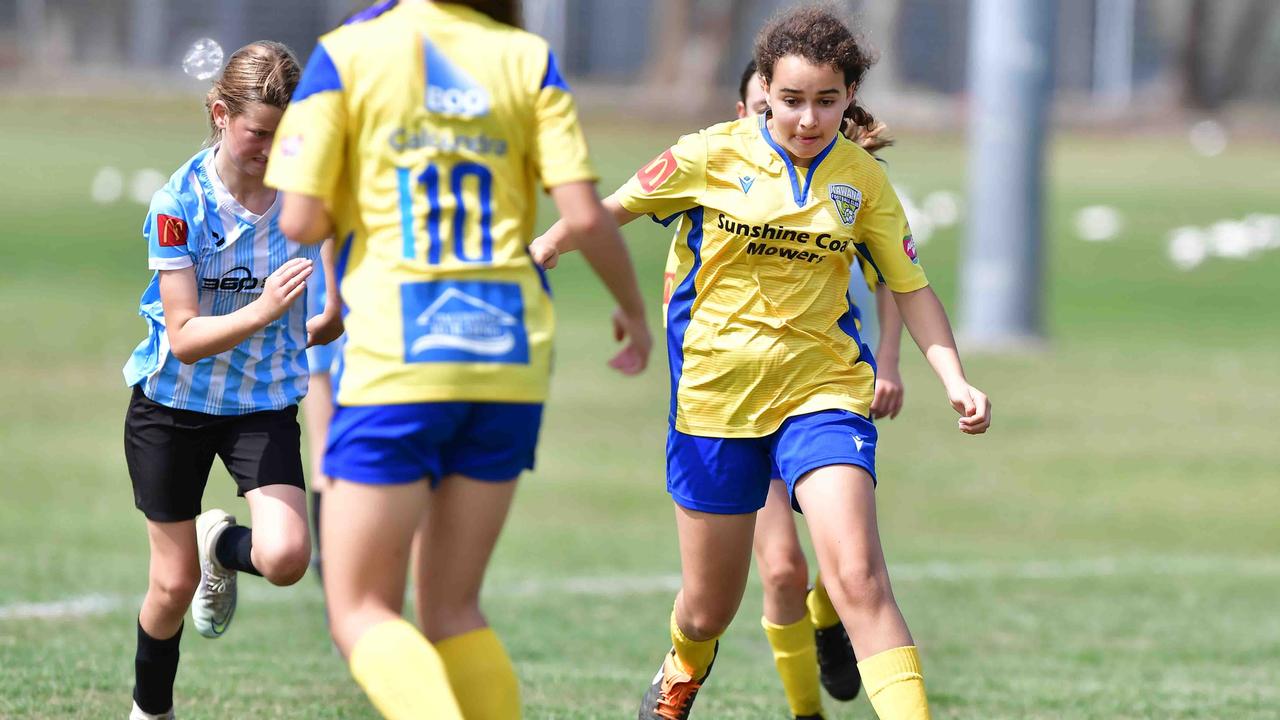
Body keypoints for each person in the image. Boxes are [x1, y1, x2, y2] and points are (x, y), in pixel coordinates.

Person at [531, 6, 991, 719]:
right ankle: (683, 663)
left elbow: (910, 285)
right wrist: (548, 247)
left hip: (823, 394)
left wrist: (954, 378)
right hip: (714, 401)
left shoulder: (862, 180)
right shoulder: (708, 155)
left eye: (828, 102)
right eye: (793, 100)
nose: (809, 118)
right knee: (709, 609)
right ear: (764, 93)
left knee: (860, 579)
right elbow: (611, 208)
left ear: (851, 98)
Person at [265, 2, 651, 718]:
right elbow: (587, 215)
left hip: (401, 355)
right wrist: (631, 308)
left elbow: (299, 218)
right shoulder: (526, 58)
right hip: (510, 354)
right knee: (452, 611)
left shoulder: (349, 53)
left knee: (359, 609)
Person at [677, 59, 906, 720]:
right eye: (767, 106)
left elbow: (897, 276)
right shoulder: (709, 172)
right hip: (729, 403)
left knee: (849, 565)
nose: (784, 120)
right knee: (780, 569)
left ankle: (833, 614)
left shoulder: (847, 181)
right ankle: (807, 711)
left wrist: (889, 362)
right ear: (746, 108)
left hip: (818, 391)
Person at [122, 41, 341, 720]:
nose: (273, 151)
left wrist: (329, 312)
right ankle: (151, 710)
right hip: (173, 405)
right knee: (171, 585)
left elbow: (329, 279)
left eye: (287, 135)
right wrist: (267, 309)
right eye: (258, 134)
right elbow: (184, 338)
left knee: (286, 557)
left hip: (260, 403)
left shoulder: (306, 193)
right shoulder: (177, 203)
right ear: (220, 113)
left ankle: (224, 543)